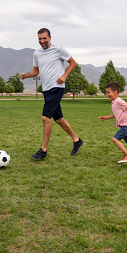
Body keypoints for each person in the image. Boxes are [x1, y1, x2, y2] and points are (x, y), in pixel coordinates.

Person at [20, 28, 84, 160]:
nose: (42, 41)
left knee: (45, 118)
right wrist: (26, 75)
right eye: (40, 39)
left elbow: (73, 63)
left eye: (44, 38)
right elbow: (35, 71)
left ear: (50, 37)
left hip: (57, 87)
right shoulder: (37, 53)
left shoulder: (58, 49)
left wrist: (65, 75)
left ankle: (43, 150)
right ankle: (77, 141)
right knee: (59, 119)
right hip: (46, 89)